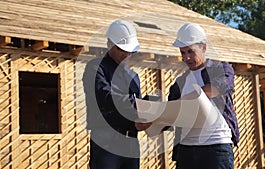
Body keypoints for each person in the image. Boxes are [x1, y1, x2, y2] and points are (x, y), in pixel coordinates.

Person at [168, 23, 240, 169]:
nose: (186, 57)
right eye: (182, 53)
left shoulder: (221, 68)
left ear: (204, 47)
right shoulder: (180, 82)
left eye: (190, 51)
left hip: (216, 148)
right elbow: (171, 113)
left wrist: (186, 100)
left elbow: (217, 87)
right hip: (186, 150)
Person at [82, 19, 151, 169]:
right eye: (121, 49)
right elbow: (106, 97)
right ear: (109, 44)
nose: (126, 53)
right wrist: (141, 105)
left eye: (130, 50)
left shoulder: (134, 77)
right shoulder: (95, 68)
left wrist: (154, 112)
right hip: (106, 142)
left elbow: (135, 112)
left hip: (131, 143)